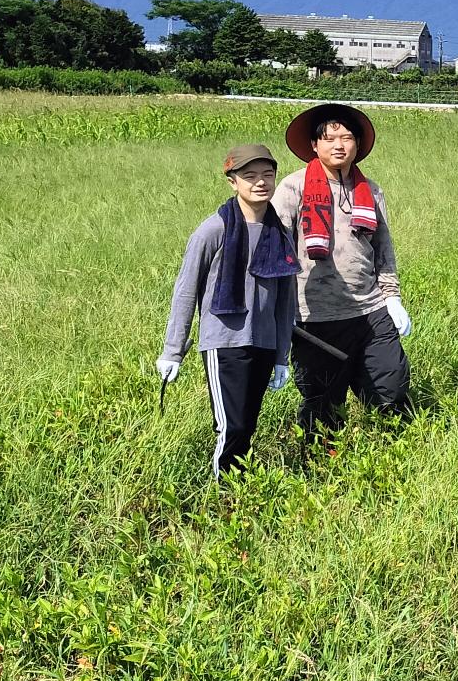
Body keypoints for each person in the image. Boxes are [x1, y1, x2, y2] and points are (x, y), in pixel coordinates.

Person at [271, 102, 413, 444]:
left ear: (358, 145)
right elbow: (274, 251)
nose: (339, 145)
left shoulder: (371, 190)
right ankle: (322, 466)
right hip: (313, 317)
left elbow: (384, 249)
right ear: (314, 145)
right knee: (322, 406)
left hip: (370, 311)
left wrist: (392, 297)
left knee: (390, 388)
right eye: (330, 137)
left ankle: (394, 456)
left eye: (347, 137)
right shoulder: (294, 188)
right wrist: (279, 309)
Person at [159, 143, 299, 476]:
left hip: (263, 343)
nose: (260, 182)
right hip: (224, 342)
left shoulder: (280, 235)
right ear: (232, 181)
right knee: (231, 427)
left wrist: (282, 356)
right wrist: (172, 352)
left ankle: (240, 492)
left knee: (247, 426)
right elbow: (185, 291)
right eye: (249, 176)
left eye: (268, 175)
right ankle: (222, 494)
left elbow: (285, 302)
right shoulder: (214, 230)